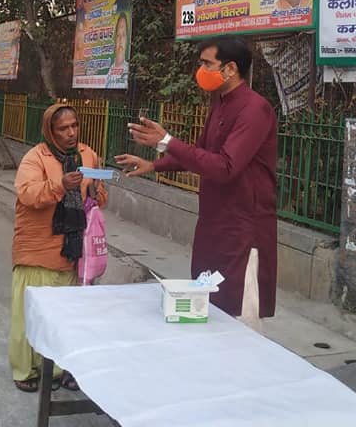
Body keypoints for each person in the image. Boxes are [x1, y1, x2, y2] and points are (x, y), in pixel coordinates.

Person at [116, 38, 278, 332]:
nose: (200, 70)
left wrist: (166, 141)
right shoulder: (220, 103)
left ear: (230, 69)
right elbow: (201, 154)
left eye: (207, 63)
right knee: (208, 306)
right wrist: (154, 164)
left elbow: (225, 166)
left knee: (238, 318)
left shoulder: (255, 110)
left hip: (243, 228)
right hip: (213, 224)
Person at [9, 104, 108, 393]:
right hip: (38, 248)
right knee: (28, 313)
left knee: (64, 316)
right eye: (63, 128)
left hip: (73, 248)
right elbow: (27, 194)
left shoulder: (88, 155)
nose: (71, 133)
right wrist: (60, 185)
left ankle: (58, 368)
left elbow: (101, 199)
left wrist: (95, 191)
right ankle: (25, 368)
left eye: (74, 126)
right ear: (50, 131)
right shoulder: (35, 157)